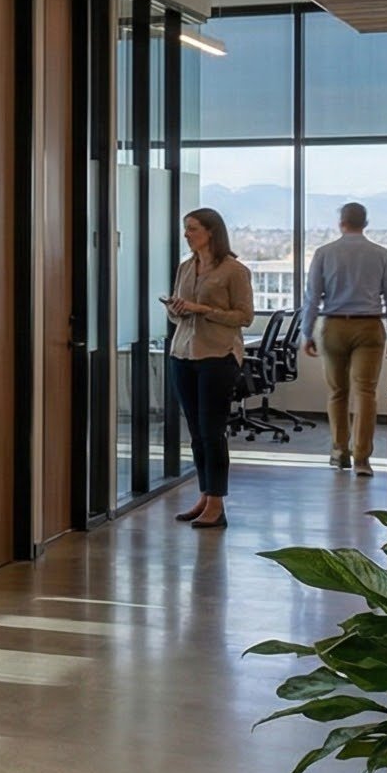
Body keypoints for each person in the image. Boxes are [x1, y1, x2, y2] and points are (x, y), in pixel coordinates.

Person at [298, 201, 387, 478]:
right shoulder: (381, 254)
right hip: (369, 328)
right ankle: (362, 459)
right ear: (365, 223)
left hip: (334, 326)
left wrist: (306, 333)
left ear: (341, 223)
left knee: (337, 392)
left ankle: (339, 452)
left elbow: (312, 297)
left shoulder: (324, 253)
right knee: (366, 393)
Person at [165, 207, 255, 531]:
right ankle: (205, 495)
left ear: (211, 233)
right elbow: (178, 315)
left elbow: (244, 316)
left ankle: (217, 503)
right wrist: (177, 309)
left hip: (217, 355)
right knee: (196, 434)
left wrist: (204, 310)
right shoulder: (186, 267)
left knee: (212, 432)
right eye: (185, 229)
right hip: (184, 353)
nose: (187, 234)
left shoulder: (234, 270)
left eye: (192, 229)